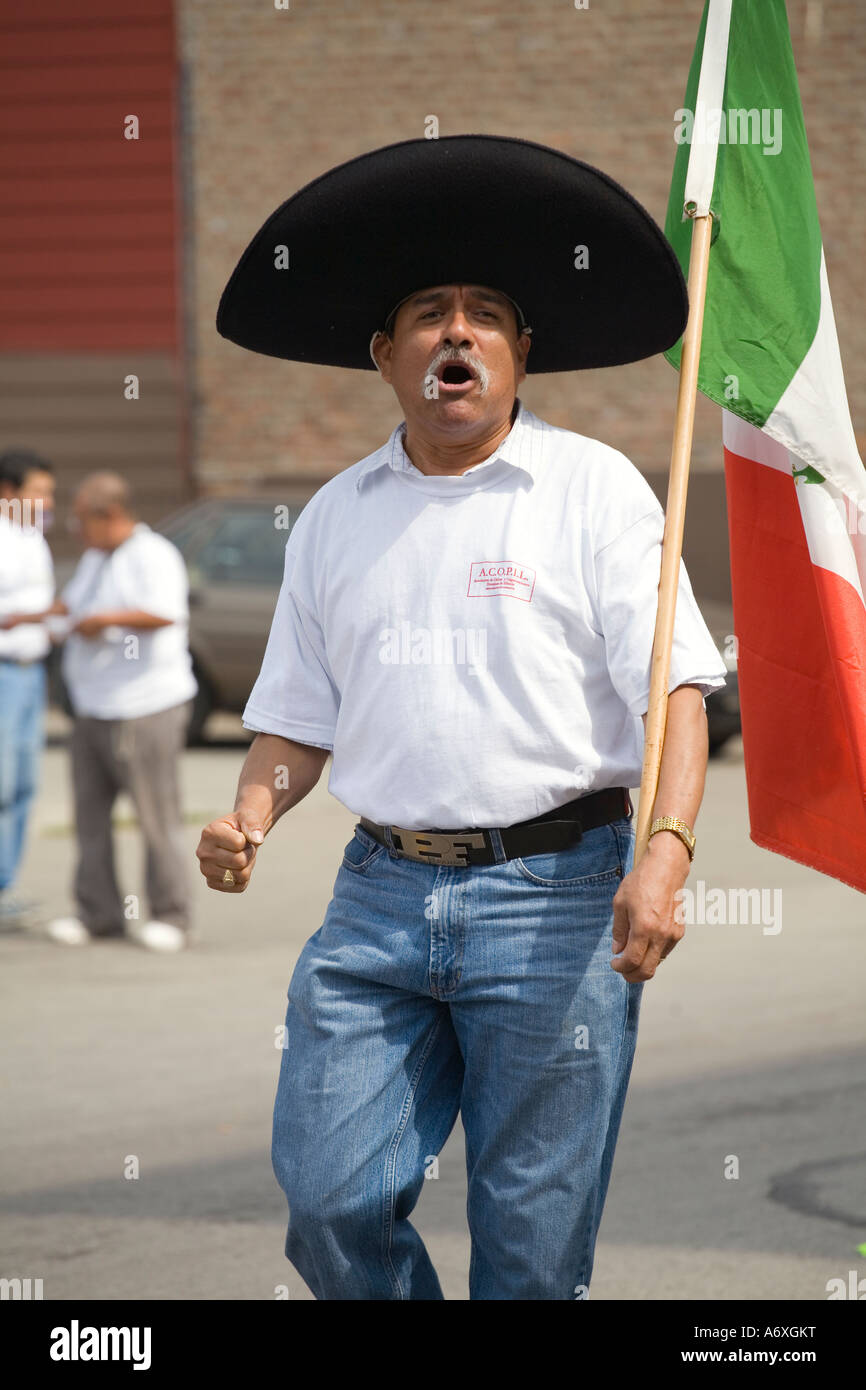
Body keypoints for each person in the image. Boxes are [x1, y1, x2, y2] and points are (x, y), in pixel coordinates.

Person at [195, 135, 729, 1299]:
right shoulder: (334, 518)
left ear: (518, 351)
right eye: (428, 315)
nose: (456, 332)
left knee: (531, 1258)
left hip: (558, 901)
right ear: (385, 355)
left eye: (484, 314)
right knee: (333, 1201)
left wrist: (664, 853)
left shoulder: (592, 490)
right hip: (376, 901)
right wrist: (249, 811)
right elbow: (294, 720)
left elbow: (674, 694)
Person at [26, 471, 198, 951]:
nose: (77, 531)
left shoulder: (153, 554)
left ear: (110, 515)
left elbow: (164, 612)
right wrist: (38, 615)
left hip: (146, 705)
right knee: (90, 817)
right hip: (92, 707)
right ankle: (99, 913)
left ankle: (171, 915)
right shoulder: (95, 558)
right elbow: (72, 606)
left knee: (154, 814)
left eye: (83, 520)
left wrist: (104, 620)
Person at [0, 449, 56, 928]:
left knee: (21, 782)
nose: (46, 501)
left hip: (30, 671)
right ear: (8, 492)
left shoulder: (31, 537)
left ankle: (5, 884)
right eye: (37, 492)